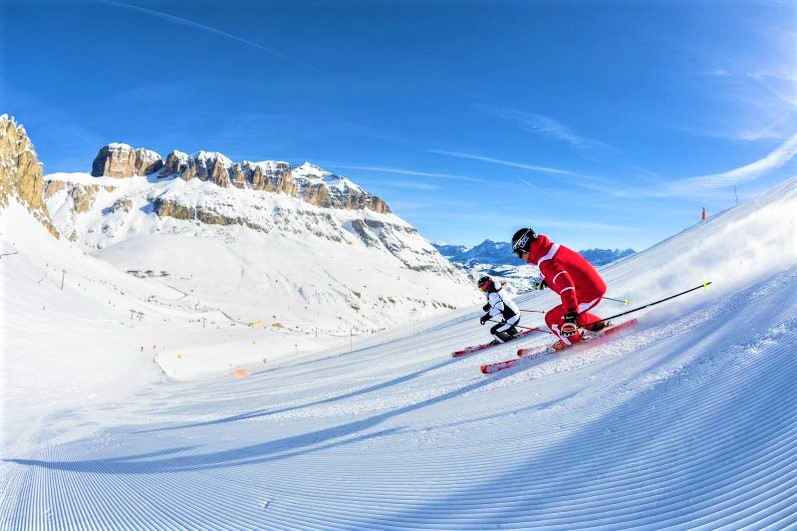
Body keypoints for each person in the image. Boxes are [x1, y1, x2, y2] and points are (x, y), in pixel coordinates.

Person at [511, 227, 607, 348]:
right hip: (593, 287)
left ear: (525, 247)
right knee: (578, 315)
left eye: (519, 253)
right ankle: (598, 326)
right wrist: (548, 281)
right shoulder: (550, 249)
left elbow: (566, 285)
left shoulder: (545, 260)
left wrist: (571, 313)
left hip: (587, 293)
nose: (521, 258)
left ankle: (572, 343)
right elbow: (565, 270)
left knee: (552, 318)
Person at [477, 275, 521, 344]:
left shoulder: (493, 294)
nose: (482, 291)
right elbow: (501, 301)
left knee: (494, 331)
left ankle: (504, 342)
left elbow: (500, 308)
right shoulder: (497, 289)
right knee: (504, 326)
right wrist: (488, 305)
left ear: (486, 285)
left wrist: (486, 317)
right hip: (514, 314)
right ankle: (514, 334)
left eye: (482, 289)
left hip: (511, 318)